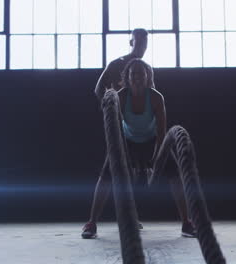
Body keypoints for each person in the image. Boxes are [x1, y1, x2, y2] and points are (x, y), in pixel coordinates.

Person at [82, 30, 196, 239]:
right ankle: (91, 223)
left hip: (152, 140)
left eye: (141, 75)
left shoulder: (155, 98)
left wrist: (157, 159)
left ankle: (187, 223)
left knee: (175, 173)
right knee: (107, 174)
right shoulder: (120, 95)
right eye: (133, 74)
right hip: (127, 140)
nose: (137, 78)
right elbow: (115, 130)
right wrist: (123, 156)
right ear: (127, 77)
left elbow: (162, 133)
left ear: (147, 78)